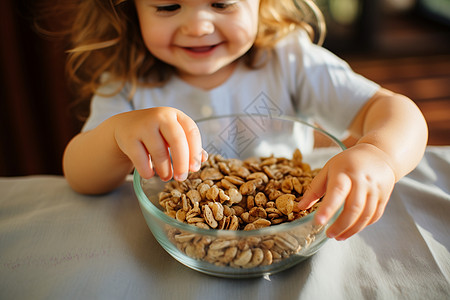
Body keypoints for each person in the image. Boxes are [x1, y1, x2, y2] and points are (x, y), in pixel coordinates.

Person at [50, 0, 427, 241]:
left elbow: (395, 109)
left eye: (222, 2)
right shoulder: (126, 83)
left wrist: (380, 154)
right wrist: (117, 135)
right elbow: (79, 174)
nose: (198, 25)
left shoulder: (291, 61)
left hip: (289, 233)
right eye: (167, 6)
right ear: (128, 8)